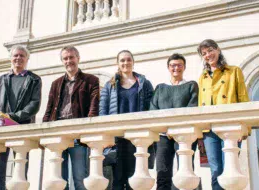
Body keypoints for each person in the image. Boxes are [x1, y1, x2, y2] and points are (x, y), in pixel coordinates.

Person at [0, 45, 42, 190]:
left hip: (21, 127)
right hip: (0, 128)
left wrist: (13, 117)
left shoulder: (34, 79)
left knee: (20, 168)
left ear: (27, 59)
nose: (18, 58)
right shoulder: (0, 80)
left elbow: (34, 104)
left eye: (22, 55)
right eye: (16, 55)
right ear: (11, 58)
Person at [43, 46, 99, 190]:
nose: (69, 61)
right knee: (59, 180)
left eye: (71, 57)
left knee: (80, 178)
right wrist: (44, 134)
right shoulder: (56, 84)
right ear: (62, 61)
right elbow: (49, 110)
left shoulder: (91, 81)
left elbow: (93, 109)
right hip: (58, 134)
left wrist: (87, 131)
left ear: (78, 59)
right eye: (65, 58)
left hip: (78, 135)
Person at [197, 39, 249, 190]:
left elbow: (243, 99)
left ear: (218, 50)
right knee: (215, 170)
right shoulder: (203, 77)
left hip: (231, 127)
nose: (208, 55)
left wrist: (244, 128)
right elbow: (201, 105)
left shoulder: (234, 71)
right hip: (210, 130)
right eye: (204, 53)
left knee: (230, 169)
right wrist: (201, 130)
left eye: (210, 50)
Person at [99, 50, 154, 190]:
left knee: (135, 177)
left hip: (137, 137)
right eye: (122, 60)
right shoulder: (109, 85)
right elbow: (103, 112)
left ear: (133, 62)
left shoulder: (144, 83)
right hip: (117, 138)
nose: (126, 63)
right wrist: (105, 136)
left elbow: (151, 109)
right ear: (117, 63)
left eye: (128, 60)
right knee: (117, 178)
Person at [150, 53, 199, 190]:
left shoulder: (191, 86)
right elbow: (153, 110)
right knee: (162, 172)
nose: (176, 68)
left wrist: (175, 129)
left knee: (186, 171)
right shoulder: (160, 88)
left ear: (184, 67)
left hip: (184, 135)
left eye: (179, 65)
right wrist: (166, 129)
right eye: (173, 65)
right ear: (168, 67)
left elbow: (192, 109)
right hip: (163, 136)